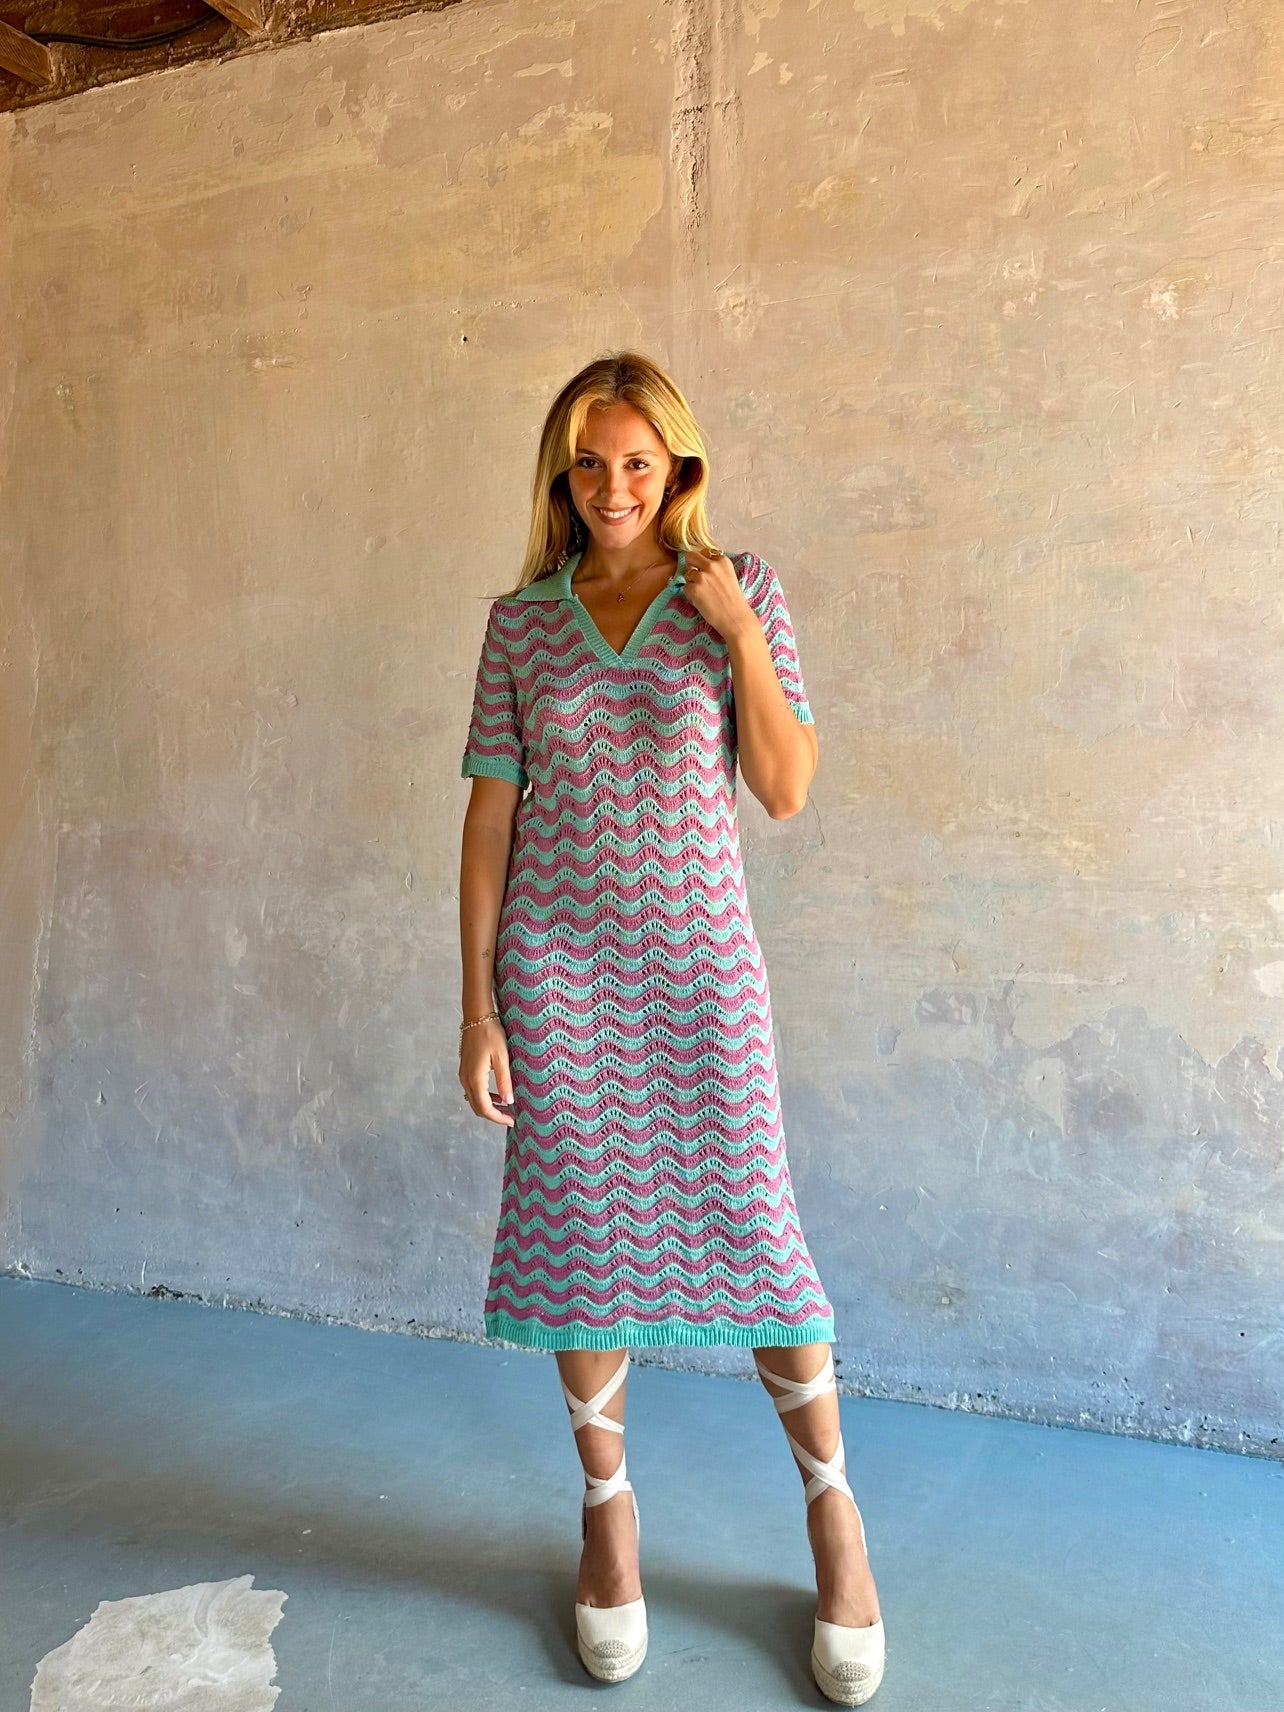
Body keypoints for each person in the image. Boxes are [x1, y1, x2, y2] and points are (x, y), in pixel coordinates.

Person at [457, 350, 885, 1705]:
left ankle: (833, 1516)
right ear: (560, 475)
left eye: (637, 462)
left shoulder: (738, 589)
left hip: (702, 973)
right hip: (557, 974)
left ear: (679, 467)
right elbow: (487, 823)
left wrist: (740, 632)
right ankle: (608, 1518)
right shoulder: (522, 624)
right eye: (589, 463)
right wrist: (476, 1004)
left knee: (762, 1239)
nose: (613, 487)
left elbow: (788, 788)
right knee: (583, 1242)